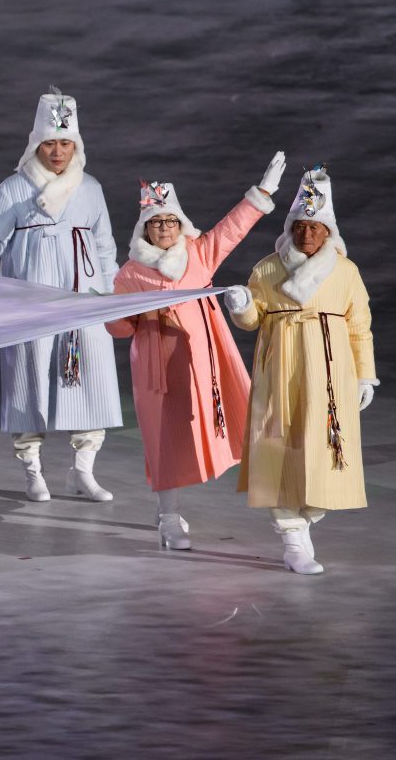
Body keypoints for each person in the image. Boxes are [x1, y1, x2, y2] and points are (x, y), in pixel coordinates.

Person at [105, 154, 285, 549]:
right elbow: (117, 330)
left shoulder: (199, 253)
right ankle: (168, 516)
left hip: (204, 362)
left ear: (181, 224)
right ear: (144, 228)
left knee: (225, 423)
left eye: (170, 221)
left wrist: (263, 192)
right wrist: (112, 309)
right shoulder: (131, 273)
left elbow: (231, 230)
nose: (164, 228)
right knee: (161, 438)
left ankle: (283, 514)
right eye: (156, 222)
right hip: (157, 366)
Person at [0, 89, 120, 502]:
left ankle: (83, 469)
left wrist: (112, 291)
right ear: (36, 144)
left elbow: (104, 245)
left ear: (76, 145)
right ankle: (32, 469)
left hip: (82, 298)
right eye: (50, 143)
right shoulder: (14, 188)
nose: (58, 151)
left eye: (66, 143)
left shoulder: (91, 188)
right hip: (31, 298)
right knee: (29, 377)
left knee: (88, 377)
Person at [225, 166, 376, 574]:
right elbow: (253, 319)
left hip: (329, 372)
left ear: (329, 231)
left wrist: (364, 375)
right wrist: (241, 305)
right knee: (279, 443)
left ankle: (306, 515)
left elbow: (359, 326)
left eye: (316, 227)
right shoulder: (267, 268)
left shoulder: (345, 272)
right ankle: (292, 536)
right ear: (290, 228)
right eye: (300, 226)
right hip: (281, 366)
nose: (307, 234)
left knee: (325, 445)